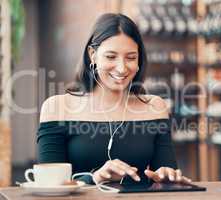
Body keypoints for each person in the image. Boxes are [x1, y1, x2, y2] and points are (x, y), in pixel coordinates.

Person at [37, 13, 191, 185]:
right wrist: (95, 178)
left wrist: (166, 176)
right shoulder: (57, 107)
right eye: (111, 56)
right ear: (92, 55)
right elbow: (48, 184)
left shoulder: (155, 106)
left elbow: (164, 177)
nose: (121, 68)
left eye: (131, 57)